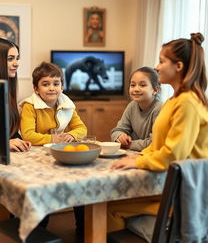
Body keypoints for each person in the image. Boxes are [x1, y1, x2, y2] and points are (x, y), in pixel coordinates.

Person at [108, 32, 208, 233]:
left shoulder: (187, 102)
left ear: (178, 67)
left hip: (183, 191)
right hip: (168, 182)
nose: (156, 66)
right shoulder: (175, 100)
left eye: (162, 61)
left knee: (108, 208)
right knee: (110, 200)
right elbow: (158, 145)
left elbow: (174, 154)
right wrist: (140, 155)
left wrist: (138, 161)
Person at [20, 61, 87, 146]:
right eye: (45, 84)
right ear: (36, 89)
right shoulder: (29, 106)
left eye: (56, 84)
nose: (51, 88)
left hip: (59, 148)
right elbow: (28, 136)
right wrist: (52, 138)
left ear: (62, 87)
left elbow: (82, 128)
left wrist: (72, 135)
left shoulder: (67, 105)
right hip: (36, 149)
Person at [111, 67, 162, 151]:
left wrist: (128, 144)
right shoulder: (132, 106)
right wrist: (120, 136)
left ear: (155, 90)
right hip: (136, 154)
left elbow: (154, 143)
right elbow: (117, 130)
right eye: (133, 85)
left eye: (142, 85)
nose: (136, 89)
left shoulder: (159, 109)